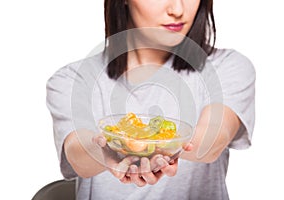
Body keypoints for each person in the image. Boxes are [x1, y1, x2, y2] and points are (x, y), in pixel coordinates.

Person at [46, 0, 255, 199]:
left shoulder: (228, 67)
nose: (177, 9)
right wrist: (107, 152)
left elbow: (211, 141)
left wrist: (147, 145)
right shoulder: (74, 79)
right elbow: (77, 154)